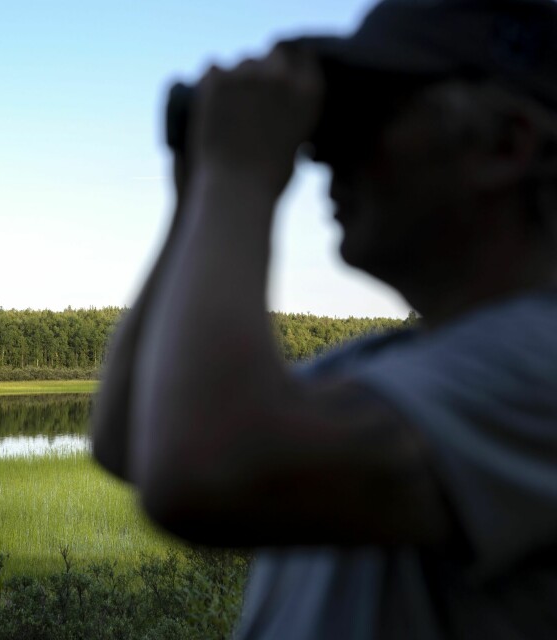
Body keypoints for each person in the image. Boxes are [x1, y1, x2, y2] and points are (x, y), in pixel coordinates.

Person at [90, 0, 557, 637]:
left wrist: (238, 177)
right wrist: (201, 191)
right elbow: (130, 441)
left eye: (366, 113)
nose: (327, 153)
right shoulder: (385, 367)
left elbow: (207, 469)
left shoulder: (541, 369)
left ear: (506, 145)